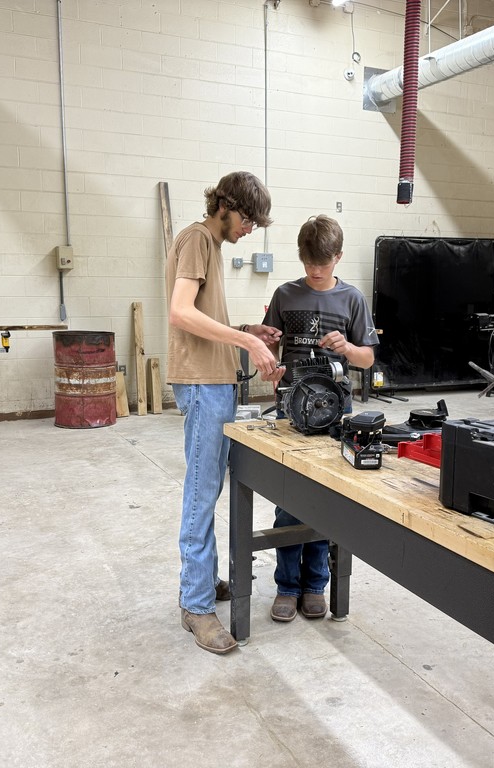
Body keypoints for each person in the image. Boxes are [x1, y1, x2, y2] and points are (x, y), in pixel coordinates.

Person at [166, 171, 285, 655]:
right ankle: (195, 605)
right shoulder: (197, 239)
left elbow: (203, 320)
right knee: (201, 493)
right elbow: (179, 312)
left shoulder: (211, 247)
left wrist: (246, 329)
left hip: (215, 381)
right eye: (248, 219)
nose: (250, 229)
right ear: (225, 206)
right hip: (202, 384)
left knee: (210, 487)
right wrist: (246, 342)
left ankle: (202, 580)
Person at [260, 214, 379, 622]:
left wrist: (346, 347)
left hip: (335, 414)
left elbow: (367, 358)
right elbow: (269, 349)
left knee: (326, 498)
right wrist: (270, 367)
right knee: (288, 499)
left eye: (323, 264)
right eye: (308, 263)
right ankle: (286, 586)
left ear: (338, 257)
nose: (314, 271)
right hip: (291, 409)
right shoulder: (284, 294)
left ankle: (315, 585)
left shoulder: (352, 299)